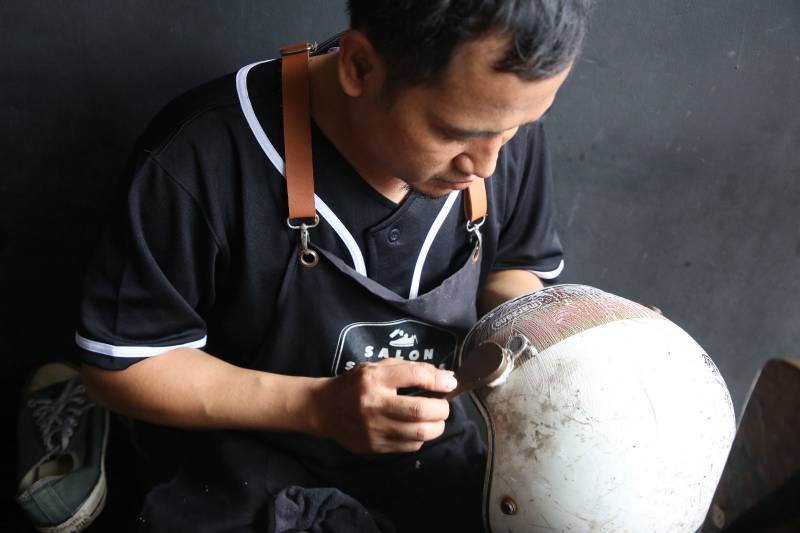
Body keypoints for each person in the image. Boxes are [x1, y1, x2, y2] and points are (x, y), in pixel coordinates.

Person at [75, 1, 589, 531]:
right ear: (360, 67)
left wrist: (554, 337)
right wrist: (319, 406)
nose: (487, 164)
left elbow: (513, 271)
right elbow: (125, 367)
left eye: (517, 128)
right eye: (454, 132)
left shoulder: (497, 121)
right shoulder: (201, 155)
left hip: (429, 450)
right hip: (242, 465)